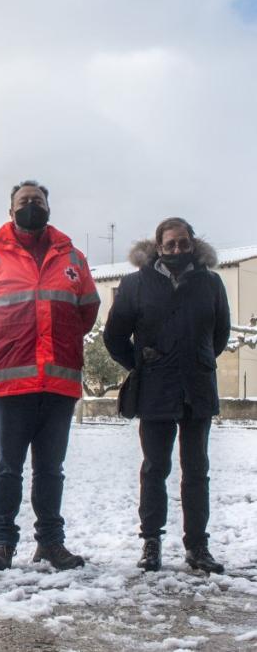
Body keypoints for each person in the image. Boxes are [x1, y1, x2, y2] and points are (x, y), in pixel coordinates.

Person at [0, 180, 99, 572]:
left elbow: (85, 313)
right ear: (11, 211)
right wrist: (2, 347)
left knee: (51, 469)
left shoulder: (73, 258)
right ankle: (2, 543)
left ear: (48, 208)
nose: (31, 206)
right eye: (24, 202)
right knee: (7, 467)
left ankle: (51, 543)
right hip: (10, 382)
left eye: (37, 201)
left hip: (58, 382)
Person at [103, 217, 230, 574]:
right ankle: (151, 542)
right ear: (158, 246)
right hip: (155, 387)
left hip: (197, 388)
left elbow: (218, 335)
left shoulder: (211, 283)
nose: (177, 249)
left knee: (197, 470)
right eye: (170, 244)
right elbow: (114, 337)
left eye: (183, 243)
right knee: (155, 468)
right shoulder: (135, 284)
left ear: (193, 244)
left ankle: (197, 546)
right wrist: (140, 363)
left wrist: (197, 358)